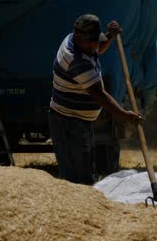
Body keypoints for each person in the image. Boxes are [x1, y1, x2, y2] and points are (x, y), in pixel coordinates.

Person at [48, 14, 141, 185]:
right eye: (91, 41)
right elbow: (99, 95)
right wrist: (123, 114)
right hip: (67, 122)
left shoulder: (78, 42)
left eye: (95, 40)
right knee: (74, 177)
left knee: (85, 171)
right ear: (78, 37)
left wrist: (110, 35)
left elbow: (98, 47)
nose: (95, 46)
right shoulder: (75, 60)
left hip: (79, 120)